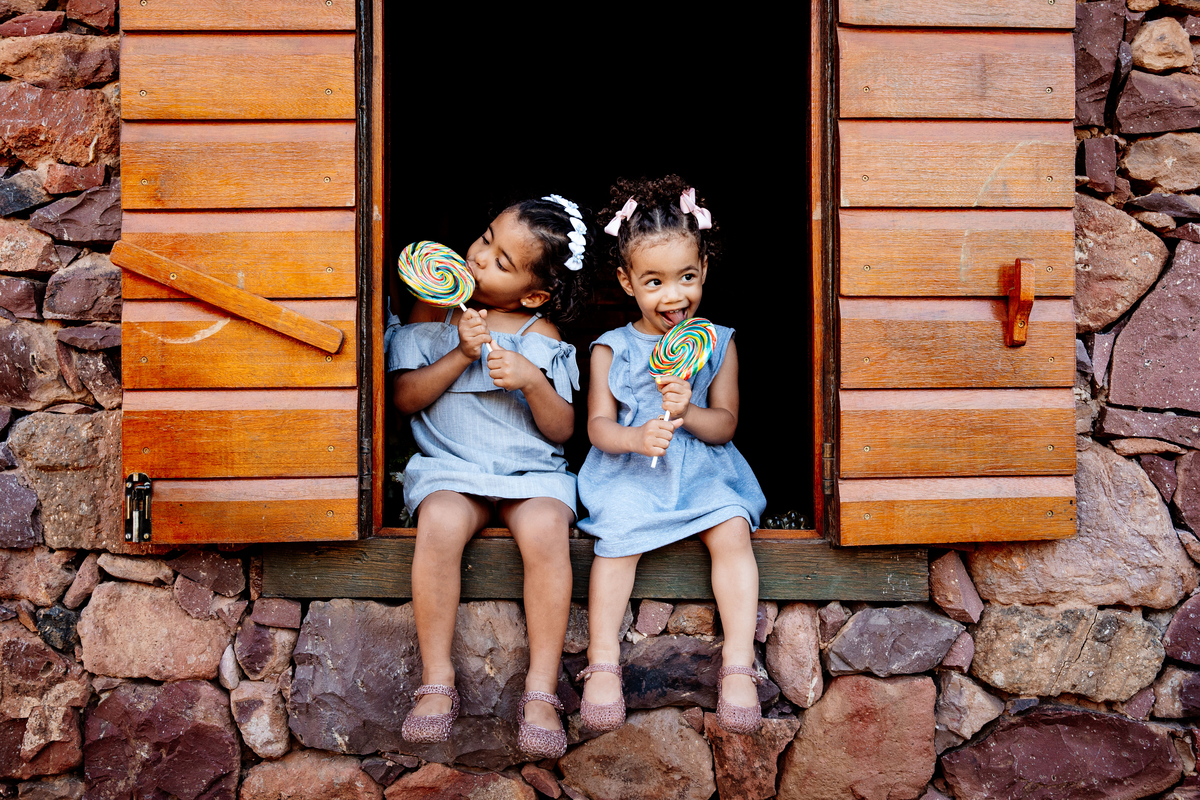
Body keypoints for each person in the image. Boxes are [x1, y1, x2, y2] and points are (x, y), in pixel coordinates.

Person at [386, 195, 593, 759]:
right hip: (452, 468)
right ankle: (437, 680)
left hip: (529, 474)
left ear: (533, 293)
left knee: (549, 529)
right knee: (440, 523)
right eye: (484, 239)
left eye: (502, 262)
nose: (478, 258)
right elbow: (404, 399)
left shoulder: (541, 331)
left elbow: (561, 430)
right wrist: (458, 355)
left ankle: (542, 692)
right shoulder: (431, 313)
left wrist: (531, 380)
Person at [575, 176, 766, 734]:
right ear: (626, 281)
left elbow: (725, 426)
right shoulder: (610, 349)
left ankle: (738, 666)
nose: (673, 295)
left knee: (732, 529)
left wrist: (688, 411)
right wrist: (636, 438)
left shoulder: (719, 343)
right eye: (654, 281)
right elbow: (597, 429)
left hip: (703, 470)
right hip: (632, 471)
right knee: (616, 543)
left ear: (704, 269)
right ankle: (603, 664)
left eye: (686, 277)